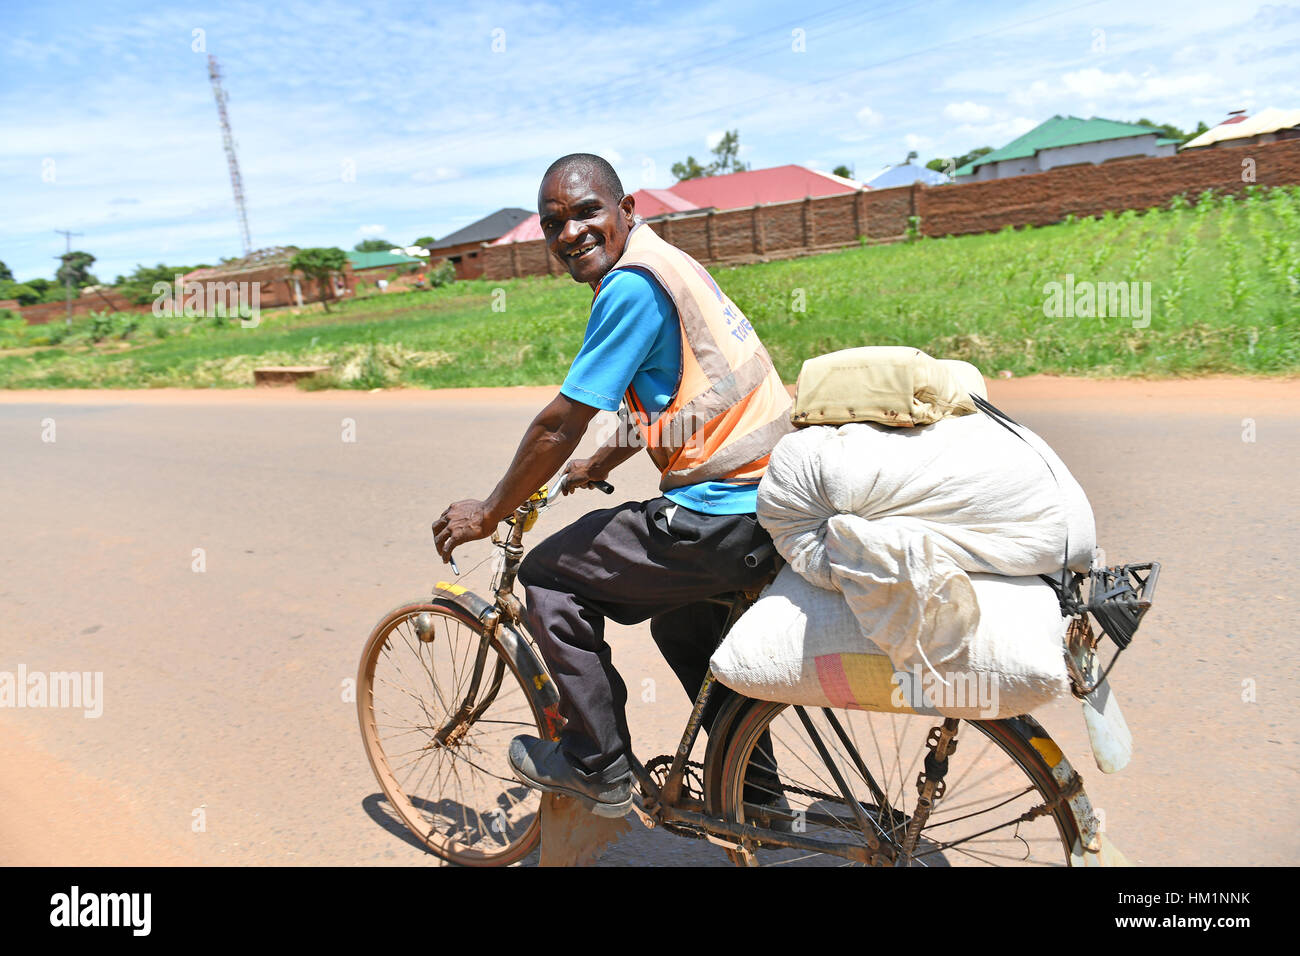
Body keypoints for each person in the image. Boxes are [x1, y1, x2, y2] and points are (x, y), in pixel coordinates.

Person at [432, 153, 791, 817]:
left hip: (718, 514)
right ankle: (757, 800)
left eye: (587, 212)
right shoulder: (667, 265)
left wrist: (488, 512)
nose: (570, 233)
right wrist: (602, 465)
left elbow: (557, 425)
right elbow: (685, 397)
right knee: (685, 631)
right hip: (768, 503)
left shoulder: (629, 289)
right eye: (552, 223)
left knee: (548, 576)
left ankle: (595, 765)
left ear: (626, 212)